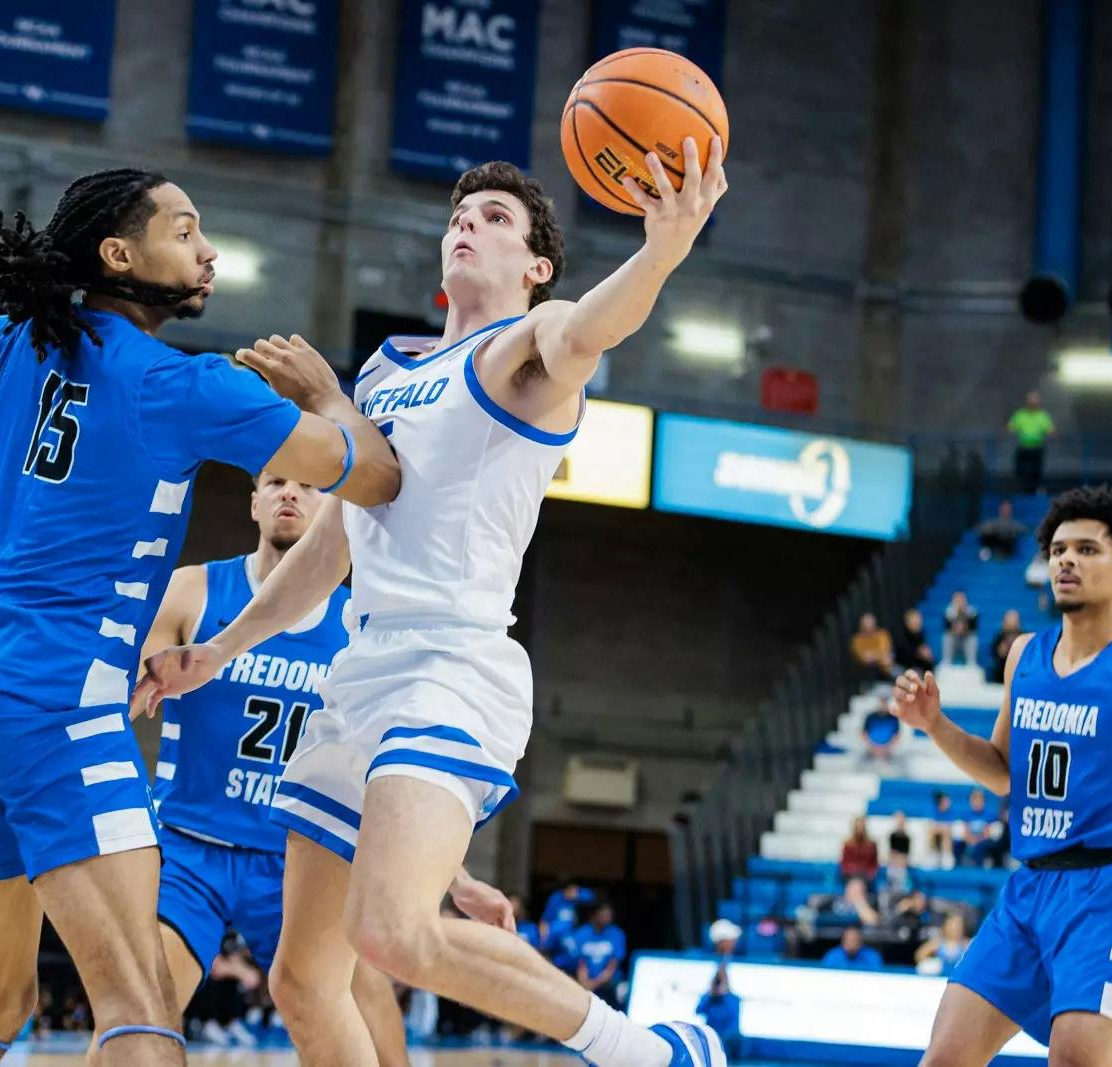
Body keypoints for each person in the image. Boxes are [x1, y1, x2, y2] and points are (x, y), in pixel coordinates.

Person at [141, 145, 731, 1065]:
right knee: (302, 979)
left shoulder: (527, 352)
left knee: (394, 934)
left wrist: (661, 252)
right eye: (463, 214)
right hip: (359, 676)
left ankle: (648, 1051)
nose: (470, 223)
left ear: (536, 268)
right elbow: (332, 546)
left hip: (452, 666)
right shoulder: (384, 372)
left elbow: (591, 329)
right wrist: (217, 650)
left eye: (498, 219)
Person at [0, 168, 401, 1066]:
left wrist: (17, 428)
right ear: (119, 253)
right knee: (140, 1009)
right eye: (185, 231)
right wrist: (332, 395)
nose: (208, 250)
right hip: (54, 700)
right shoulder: (181, 385)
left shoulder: (15, 344)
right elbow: (375, 476)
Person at [892, 485, 1112, 1066]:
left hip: (1110, 888)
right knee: (942, 1060)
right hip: (1028, 890)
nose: (1065, 560)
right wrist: (934, 724)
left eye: (1087, 550)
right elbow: (1005, 776)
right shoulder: (1024, 653)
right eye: (1057, 549)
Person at [137, 470, 417, 1063]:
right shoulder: (194, 590)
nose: (292, 493)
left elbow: (387, 762)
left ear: (334, 512)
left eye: (313, 486)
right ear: (255, 503)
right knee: (141, 1005)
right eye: (276, 481)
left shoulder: (358, 623)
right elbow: (124, 697)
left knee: (356, 994)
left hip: (298, 856)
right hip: (190, 847)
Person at [572, 901, 628, 1008]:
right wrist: (584, 983)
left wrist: (594, 984)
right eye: (603, 915)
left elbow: (612, 966)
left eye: (609, 915)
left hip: (609, 985)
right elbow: (581, 964)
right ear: (594, 915)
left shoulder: (616, 934)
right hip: (587, 984)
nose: (606, 918)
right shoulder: (582, 933)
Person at [1006, 391, 1055, 494]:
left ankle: (1034, 491)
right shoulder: (1020, 414)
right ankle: (1019, 490)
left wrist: (1051, 432)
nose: (1033, 403)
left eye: (1035, 401)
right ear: (1027, 402)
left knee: (1036, 472)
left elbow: (1050, 430)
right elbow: (1011, 427)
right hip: (1023, 447)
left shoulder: (1042, 416)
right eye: (1031, 401)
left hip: (1037, 448)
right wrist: (1009, 429)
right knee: (1019, 471)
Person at [540, 879, 597, 957]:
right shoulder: (556, 898)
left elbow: (592, 897)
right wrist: (544, 938)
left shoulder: (581, 896)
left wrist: (577, 896)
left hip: (575, 931)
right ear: (564, 890)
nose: (572, 892)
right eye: (570, 890)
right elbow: (545, 920)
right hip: (558, 933)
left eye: (575, 890)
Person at [850, 613, 895, 684]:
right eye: (866, 622)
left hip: (886, 670)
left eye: (870, 622)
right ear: (861, 624)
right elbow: (864, 658)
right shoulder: (857, 639)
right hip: (866, 675)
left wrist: (873, 655)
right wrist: (879, 656)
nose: (869, 624)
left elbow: (885, 652)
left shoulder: (882, 634)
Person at [862, 699, 903, 769]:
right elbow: (863, 733)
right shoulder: (870, 717)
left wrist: (887, 747)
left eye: (885, 702)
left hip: (888, 750)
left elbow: (897, 735)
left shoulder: (894, 719)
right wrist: (873, 746)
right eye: (881, 702)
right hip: (872, 749)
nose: (883, 705)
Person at [894, 608, 937, 674]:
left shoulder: (921, 635)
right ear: (907, 622)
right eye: (914, 620)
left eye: (918, 620)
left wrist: (929, 657)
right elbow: (903, 658)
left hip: (918, 666)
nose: (917, 622)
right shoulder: (901, 637)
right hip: (904, 667)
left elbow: (925, 657)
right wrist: (918, 653)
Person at [942, 591, 979, 666]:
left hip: (966, 640)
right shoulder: (948, 612)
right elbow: (947, 628)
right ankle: (946, 662)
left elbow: (974, 628)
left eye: (962, 599)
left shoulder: (972, 611)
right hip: (954, 640)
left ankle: (971, 663)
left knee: (973, 637)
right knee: (947, 637)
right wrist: (956, 624)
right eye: (957, 599)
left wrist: (963, 623)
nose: (960, 602)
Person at [989, 610, 1024, 685]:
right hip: (1001, 675)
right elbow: (995, 654)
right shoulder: (999, 637)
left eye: (1014, 619)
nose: (1011, 622)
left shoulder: (1024, 637)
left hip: (1019, 674)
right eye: (1009, 619)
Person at [839, 816, 879, 883]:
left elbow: (874, 863)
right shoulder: (848, 844)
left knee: (861, 880)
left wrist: (871, 873)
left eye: (861, 826)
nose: (860, 829)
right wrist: (852, 871)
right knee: (855, 880)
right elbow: (844, 863)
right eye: (857, 827)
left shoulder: (872, 844)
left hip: (866, 876)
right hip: (850, 875)